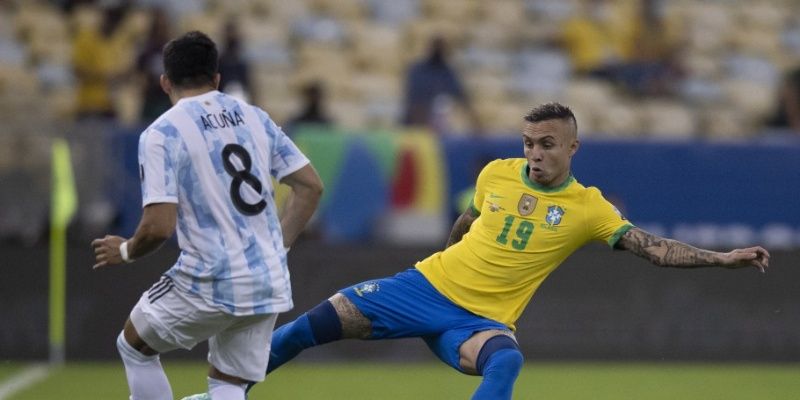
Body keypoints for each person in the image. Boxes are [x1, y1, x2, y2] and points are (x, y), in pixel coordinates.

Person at [184, 102, 770, 400]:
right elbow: (468, 220)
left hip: (479, 322)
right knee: (306, 328)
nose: (534, 153)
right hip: (423, 288)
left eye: (546, 144)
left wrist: (722, 259)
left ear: (572, 147)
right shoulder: (497, 172)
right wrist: (441, 265)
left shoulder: (590, 208)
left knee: (506, 361)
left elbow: (652, 248)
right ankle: (221, 396)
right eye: (528, 142)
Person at [91, 31, 323, 400]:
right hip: (269, 278)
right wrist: (276, 249)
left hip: (212, 277)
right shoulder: (255, 116)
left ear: (165, 82)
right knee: (228, 382)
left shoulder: (162, 132)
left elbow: (158, 227)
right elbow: (310, 186)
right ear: (216, 78)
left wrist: (125, 251)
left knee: (134, 345)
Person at [400, 35, 482, 134]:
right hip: (415, 125)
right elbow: (413, 100)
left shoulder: (448, 72)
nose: (439, 50)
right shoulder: (418, 70)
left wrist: (476, 123)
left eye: (442, 48)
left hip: (439, 124)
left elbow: (462, 98)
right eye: (436, 47)